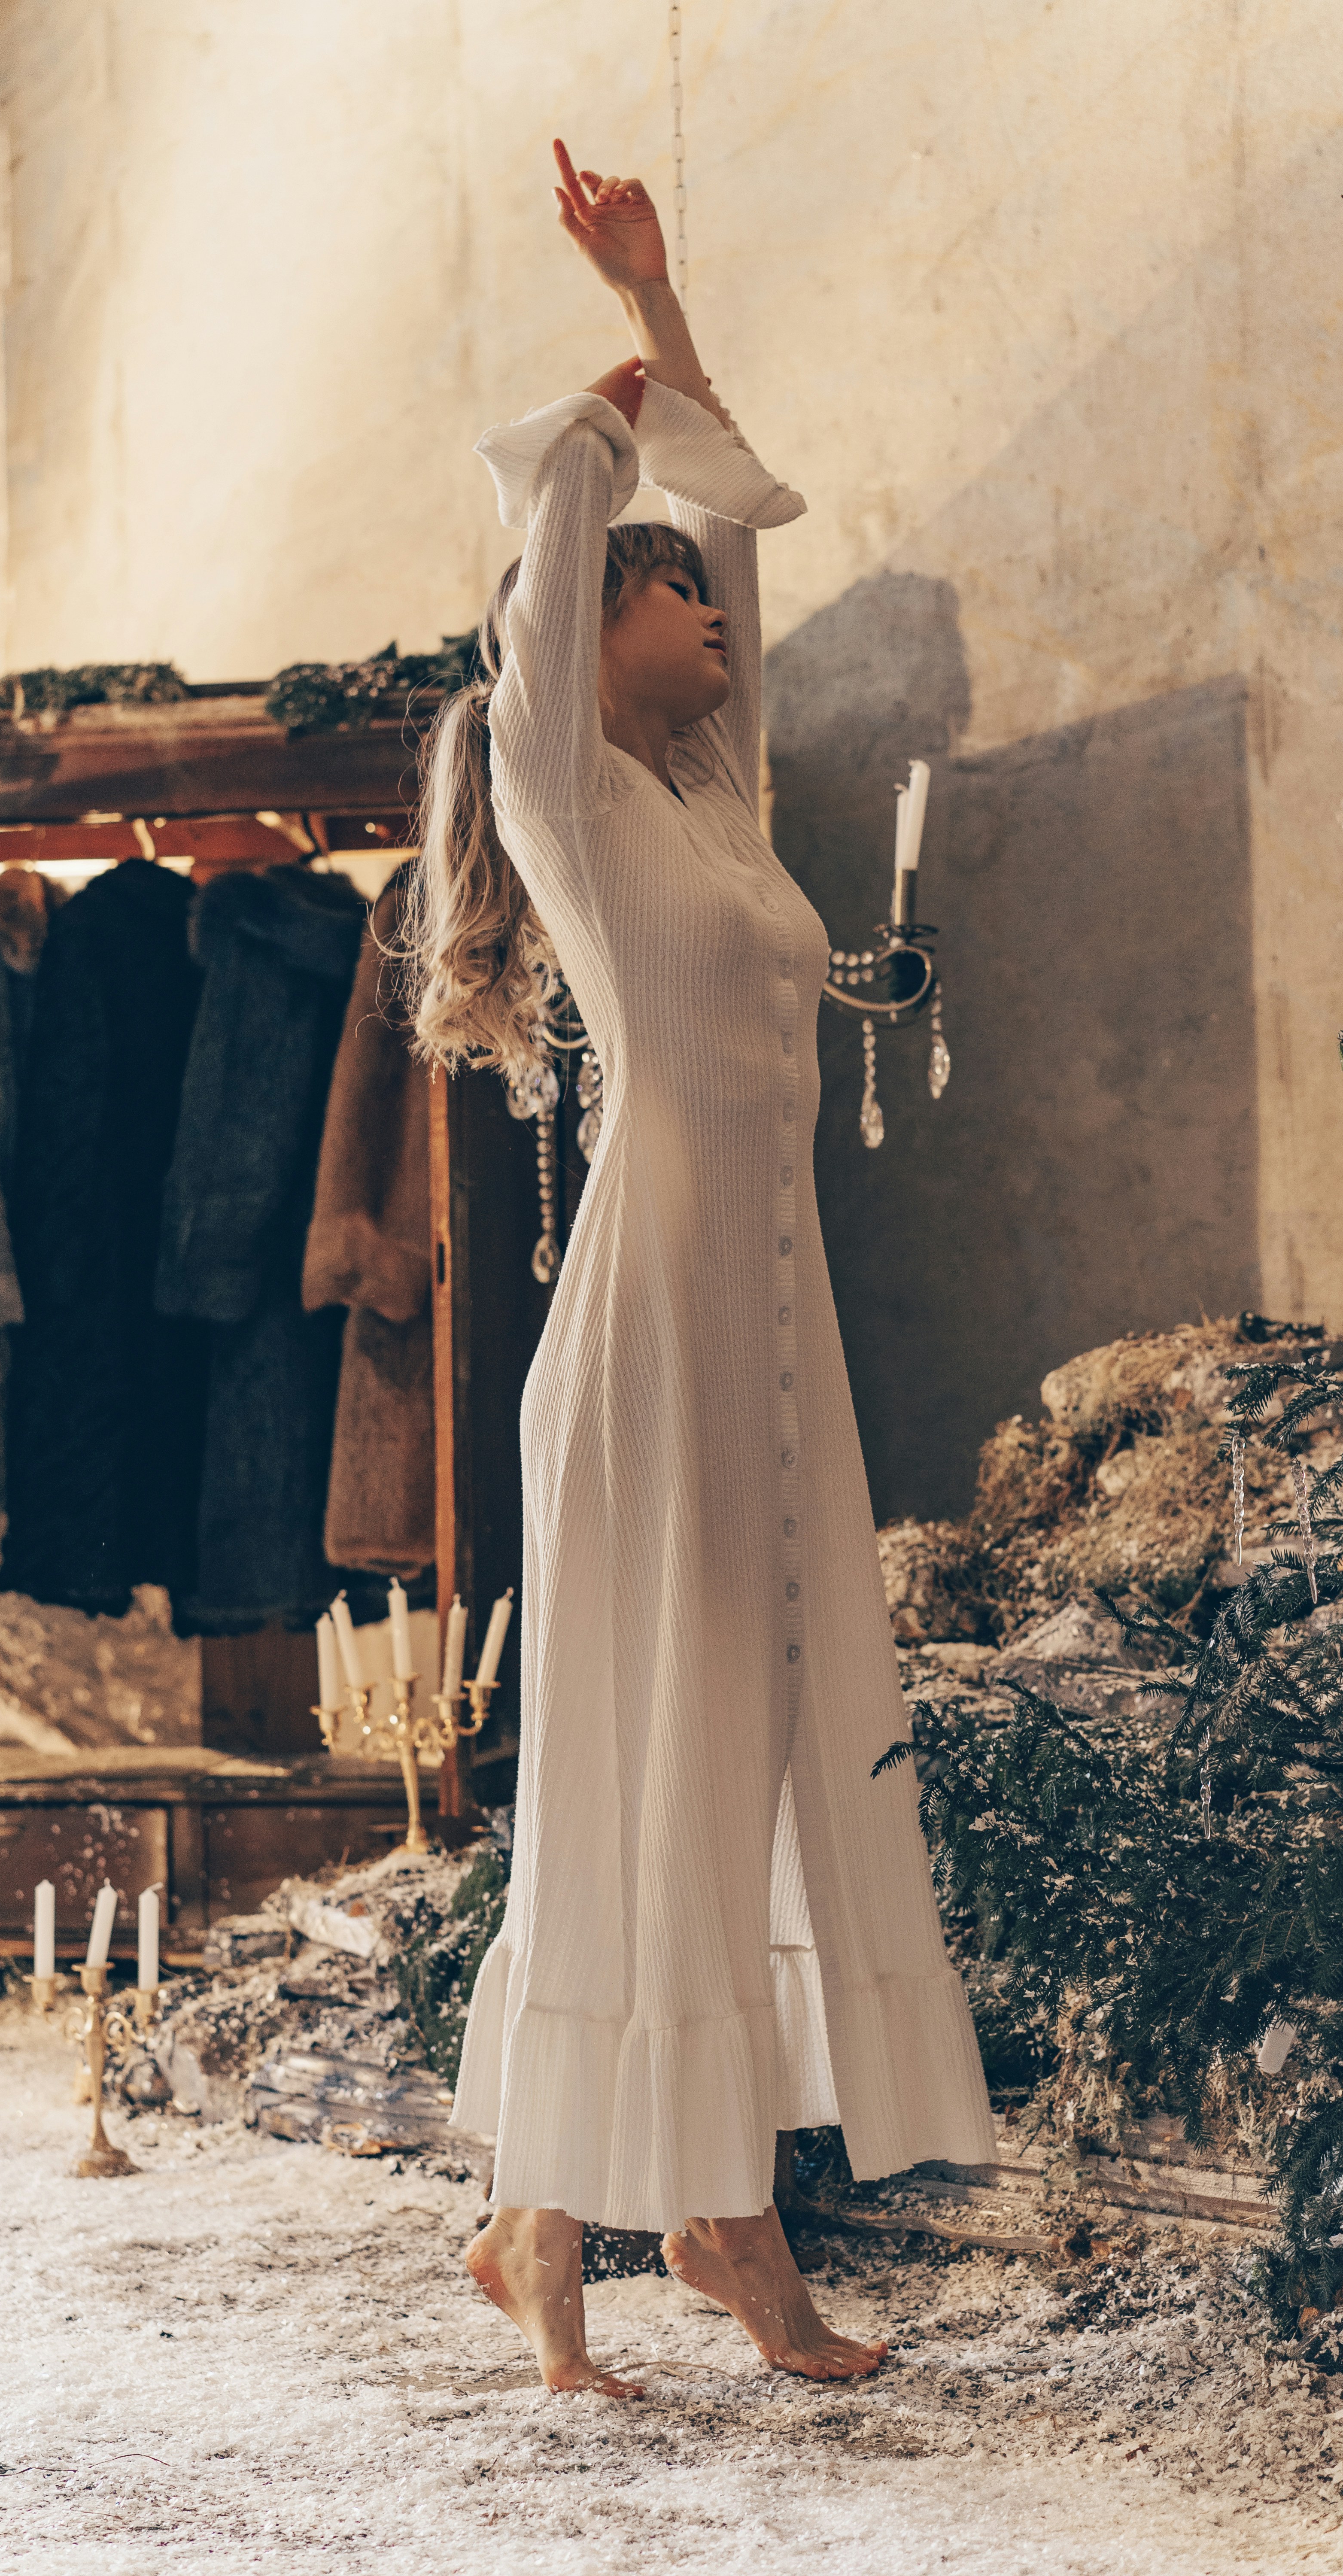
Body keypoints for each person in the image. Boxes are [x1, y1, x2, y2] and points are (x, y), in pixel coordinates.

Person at [399, 138, 994, 2397]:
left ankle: (584, 2220)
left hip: (771, 1323)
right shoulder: (567, 790)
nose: (721, 621)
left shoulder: (722, 802)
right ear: (606, 617)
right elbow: (547, 618)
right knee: (655, 1749)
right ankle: (694, 2226)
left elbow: (734, 523)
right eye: (679, 599)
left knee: (735, 1747)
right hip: (647, 1323)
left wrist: (676, 294)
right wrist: (585, 447)